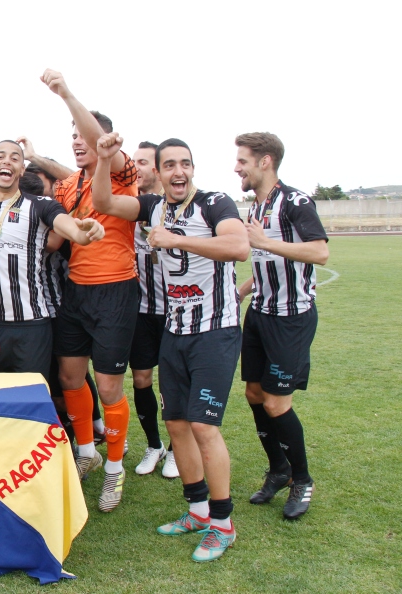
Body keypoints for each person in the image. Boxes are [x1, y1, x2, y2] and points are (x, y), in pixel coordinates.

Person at [92, 132, 249, 563]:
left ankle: (223, 524)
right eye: (170, 165)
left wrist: (177, 240)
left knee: (203, 427)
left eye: (185, 163)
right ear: (158, 173)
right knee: (176, 423)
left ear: (192, 168)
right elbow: (104, 203)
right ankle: (197, 511)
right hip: (175, 331)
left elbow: (238, 246)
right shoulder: (153, 206)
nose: (178, 172)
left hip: (215, 330)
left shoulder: (215, 203)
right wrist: (104, 160)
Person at [41, 69, 139, 513]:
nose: (78, 141)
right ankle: (87, 453)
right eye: (74, 137)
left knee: (110, 385)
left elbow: (100, 146)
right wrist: (33, 156)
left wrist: (65, 94)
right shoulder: (66, 185)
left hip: (116, 291)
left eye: (84, 135)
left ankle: (115, 471)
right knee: (70, 378)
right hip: (75, 294)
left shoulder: (122, 173)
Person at [234, 132, 328, 520]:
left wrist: (266, 242)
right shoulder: (257, 206)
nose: (236, 167)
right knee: (254, 395)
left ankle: (302, 479)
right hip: (259, 313)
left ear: (265, 161)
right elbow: (265, 261)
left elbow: (320, 251)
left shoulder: (296, 201)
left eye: (242, 160)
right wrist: (243, 289)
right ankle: (279, 470)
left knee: (276, 402)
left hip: (292, 318)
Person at [0, 141, 103, 377]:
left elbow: (68, 227)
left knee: (31, 401)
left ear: (22, 170)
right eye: (1, 156)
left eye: (15, 158)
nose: (7, 161)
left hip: (32, 326)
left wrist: (82, 232)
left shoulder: (40, 205)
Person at [127, 141, 174, 477]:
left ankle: (176, 448)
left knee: (173, 384)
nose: (135, 168)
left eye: (141, 162)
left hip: (175, 310)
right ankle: (154, 444)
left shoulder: (176, 207)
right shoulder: (130, 208)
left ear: (157, 168)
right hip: (141, 311)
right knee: (142, 379)